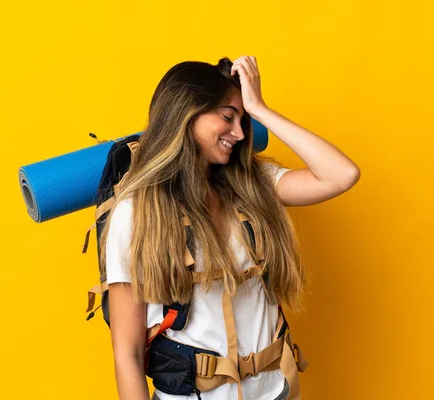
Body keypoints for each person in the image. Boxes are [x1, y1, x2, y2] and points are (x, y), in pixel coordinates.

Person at [98, 56, 360, 400]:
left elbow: (342, 175)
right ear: (185, 115)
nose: (238, 133)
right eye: (226, 117)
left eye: (243, 120)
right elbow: (128, 354)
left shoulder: (252, 184)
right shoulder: (137, 214)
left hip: (275, 391)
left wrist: (260, 108)